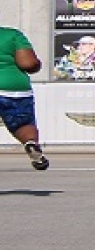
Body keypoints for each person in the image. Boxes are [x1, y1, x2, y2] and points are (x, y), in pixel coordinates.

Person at [0, 20, 49, 170]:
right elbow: (28, 63)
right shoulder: (12, 35)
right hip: (15, 88)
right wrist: (37, 64)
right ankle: (30, 144)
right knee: (23, 124)